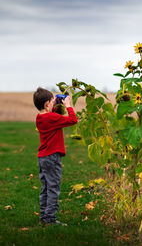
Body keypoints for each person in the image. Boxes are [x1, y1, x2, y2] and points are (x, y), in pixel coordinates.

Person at [33, 87, 78, 226]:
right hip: (52, 157)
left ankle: (44, 216)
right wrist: (68, 106)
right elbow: (73, 120)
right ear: (47, 104)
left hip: (43, 157)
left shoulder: (40, 117)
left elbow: (53, 116)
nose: (54, 103)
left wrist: (57, 103)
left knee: (46, 188)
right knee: (53, 188)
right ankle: (50, 219)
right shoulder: (52, 118)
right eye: (52, 101)